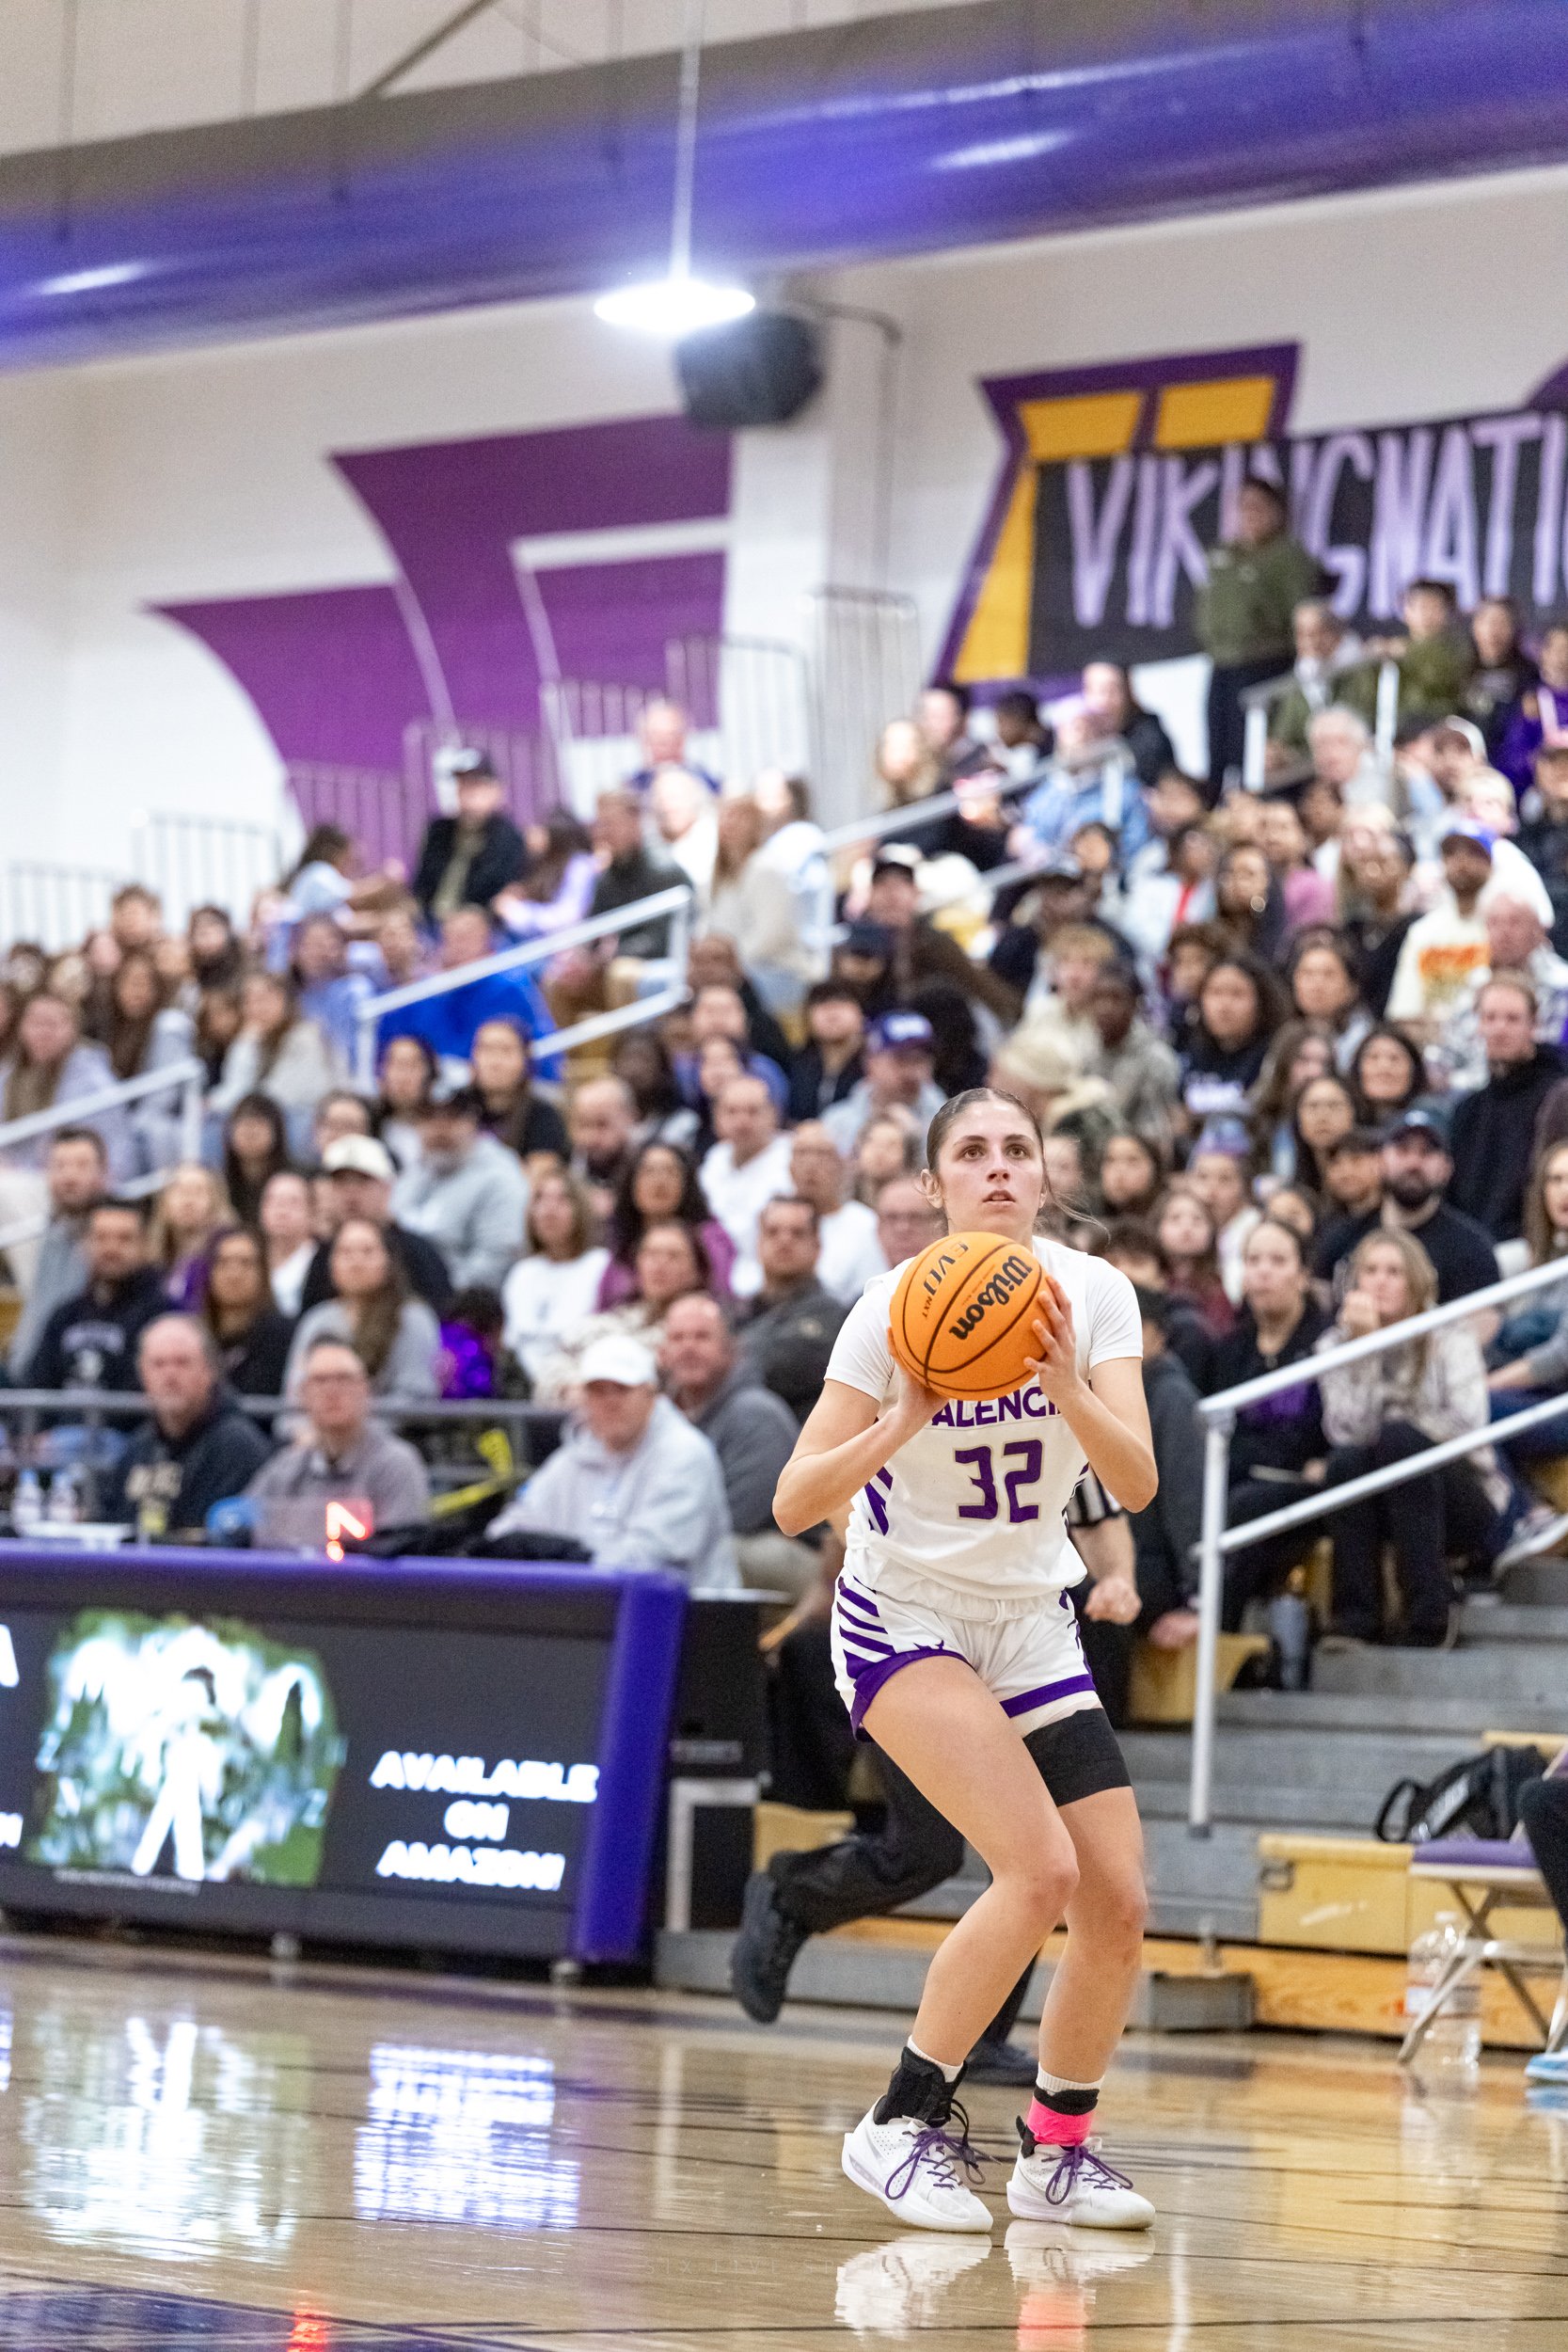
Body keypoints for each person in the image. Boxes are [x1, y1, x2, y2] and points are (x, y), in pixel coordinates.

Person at [767, 1087, 1155, 2233]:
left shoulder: (1093, 1294)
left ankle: (1056, 2151)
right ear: (934, 1187)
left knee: (1118, 1901)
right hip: (903, 1612)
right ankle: (896, 2122)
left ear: (1042, 1177)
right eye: (972, 1152)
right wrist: (901, 1416)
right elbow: (793, 1499)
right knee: (1036, 1871)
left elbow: (1133, 1484)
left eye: (1016, 1149)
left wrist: (1065, 1386)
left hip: (1029, 1617)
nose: (997, 1167)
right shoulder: (888, 1309)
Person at [1319, 1230, 1506, 1645]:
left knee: (1399, 1440)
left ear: (1416, 1281)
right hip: (1383, 1494)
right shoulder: (1335, 1344)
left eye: (1394, 1272)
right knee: (1345, 1463)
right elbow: (1346, 1431)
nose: (1380, 1282)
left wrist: (1400, 1427)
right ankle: (1356, 1618)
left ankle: (1430, 1614)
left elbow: (1467, 1423)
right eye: (1370, 1271)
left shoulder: (1450, 1334)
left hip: (1459, 1491)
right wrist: (1365, 1351)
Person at [490, 1332, 736, 1585]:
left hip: (686, 1605)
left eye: (622, 1389)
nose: (610, 1402)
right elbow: (509, 1529)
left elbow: (654, 1557)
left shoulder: (685, 1454)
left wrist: (572, 1558)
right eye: (598, 1391)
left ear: (650, 1394)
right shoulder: (570, 1460)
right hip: (582, 1602)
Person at [1209, 1218, 1330, 1628]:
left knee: (1244, 1506)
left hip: (1306, 1488)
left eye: (1278, 1261)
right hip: (1240, 1480)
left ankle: (1218, 1626)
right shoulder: (1230, 1349)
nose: (1263, 1271)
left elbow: (1321, 1434)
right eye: (1253, 1260)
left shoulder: (1326, 1342)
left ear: (1303, 1275)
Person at [660, 1294, 815, 1595]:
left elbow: (742, 1516)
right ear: (662, 1353)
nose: (688, 1347)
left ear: (731, 1350)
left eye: (702, 1337)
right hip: (698, 1537)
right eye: (678, 1338)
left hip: (783, 1551)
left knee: (704, 1553)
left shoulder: (756, 1413)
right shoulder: (661, 1416)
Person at [1195, 475, 1322, 791]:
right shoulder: (1223, 554)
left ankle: (1252, 797)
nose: (1251, 514)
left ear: (1278, 511)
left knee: (1251, 743)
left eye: (1259, 506)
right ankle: (1219, 798)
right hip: (1222, 662)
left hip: (1266, 662)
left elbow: (1299, 611)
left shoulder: (1288, 556)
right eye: (1244, 506)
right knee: (1218, 743)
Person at [103, 1315, 273, 1541]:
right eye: (158, 1364)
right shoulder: (138, 1447)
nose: (170, 1376)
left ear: (209, 1371)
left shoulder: (240, 1449)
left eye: (182, 1363)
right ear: (142, 1374)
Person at [245, 1335, 431, 1538]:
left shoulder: (396, 1466)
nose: (332, 1391)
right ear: (303, 1394)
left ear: (366, 1390)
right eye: (320, 1380)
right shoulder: (286, 1470)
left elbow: (402, 1543)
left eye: (344, 1379)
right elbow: (242, 1521)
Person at [0, 993, 129, 1279]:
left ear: (71, 1029)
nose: (43, 1032)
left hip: (71, 1186)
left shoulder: (93, 1081)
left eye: (52, 1024)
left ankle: (37, 1283)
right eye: (35, 1023)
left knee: (6, 1189)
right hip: (26, 1180)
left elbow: (117, 1153)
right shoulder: (11, 1076)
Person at [1315, 1107, 1500, 1305]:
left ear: (1446, 1168)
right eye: (1402, 1150)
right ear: (1380, 1161)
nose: (1413, 1163)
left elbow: (1482, 1319)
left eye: (1426, 1152)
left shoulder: (1472, 1249)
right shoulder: (1341, 1238)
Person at [1446, 977, 1568, 1243]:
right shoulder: (1468, 1109)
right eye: (1490, 1018)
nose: (1499, 1029)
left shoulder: (1558, 1098)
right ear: (1478, 1025)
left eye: (1512, 1019)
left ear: (1534, 1025)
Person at [283, 1216, 442, 1404]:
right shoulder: (317, 1319)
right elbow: (294, 1395)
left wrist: (355, 1417)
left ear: (389, 1260)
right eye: (346, 1253)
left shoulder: (413, 1318)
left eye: (367, 1252)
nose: (356, 1262)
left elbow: (417, 1396)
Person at [379, 907, 558, 1073]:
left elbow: (535, 1046)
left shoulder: (510, 987)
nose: (459, 945)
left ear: (487, 941)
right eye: (452, 938)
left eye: (467, 937)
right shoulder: (427, 992)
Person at [389, 1081, 529, 1290]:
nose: (439, 1129)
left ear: (473, 1122)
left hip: (465, 1301)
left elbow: (497, 1262)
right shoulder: (416, 1174)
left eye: (452, 1117)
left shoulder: (499, 1176)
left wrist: (434, 1290)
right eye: (429, 1117)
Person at [21, 1197, 167, 1392]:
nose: (111, 1249)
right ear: (84, 1244)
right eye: (101, 1237)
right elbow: (35, 1385)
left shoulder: (163, 1317)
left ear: (145, 1246)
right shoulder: (64, 1316)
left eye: (124, 1239)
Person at [1128, 1289, 1206, 1649]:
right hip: (1120, 1556)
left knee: (1090, 1597)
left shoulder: (1172, 1397)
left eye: (1130, 1325)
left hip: (1156, 1571)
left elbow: (1188, 1502)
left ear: (1159, 1334)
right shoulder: (1103, 1391)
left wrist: (1198, 1601)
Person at [300, 1136, 453, 1315]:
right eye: (341, 1182)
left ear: (387, 1188)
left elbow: (441, 1315)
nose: (351, 1192)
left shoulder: (418, 1254)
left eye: (363, 1181)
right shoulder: (323, 1255)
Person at [736, 1194, 850, 1425]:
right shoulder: (733, 1312)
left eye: (797, 1233)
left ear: (817, 1246)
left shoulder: (834, 1315)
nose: (784, 1241)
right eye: (773, 1232)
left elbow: (780, 1369)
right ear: (758, 1243)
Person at [6, 1126, 107, 1376]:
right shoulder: (51, 1235)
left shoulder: (113, 1237)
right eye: (59, 1166)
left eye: (81, 1166)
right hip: (31, 1372)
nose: (69, 1177)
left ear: (103, 1173)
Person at [499, 1169, 610, 1390]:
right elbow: (512, 1343)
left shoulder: (601, 1266)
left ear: (581, 1210)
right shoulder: (522, 1272)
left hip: (578, 1381)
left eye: (562, 1200)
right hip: (522, 1387)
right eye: (540, 1199)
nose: (549, 1211)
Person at [1386, 822, 1497, 1041]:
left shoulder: (1504, 927)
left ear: (1490, 863)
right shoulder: (1422, 932)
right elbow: (1403, 1013)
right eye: (1452, 854)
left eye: (1473, 853)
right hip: (1432, 1044)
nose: (1462, 863)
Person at [598, 1140, 735, 1310]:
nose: (659, 1182)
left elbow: (722, 1297)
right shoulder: (621, 1245)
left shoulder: (710, 1239)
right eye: (649, 1172)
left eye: (670, 1172)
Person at [698, 1075, 794, 1299]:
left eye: (752, 1111)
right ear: (716, 1117)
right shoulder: (715, 1159)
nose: (742, 1121)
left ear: (773, 1114)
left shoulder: (792, 1158)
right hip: (713, 1280)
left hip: (770, 1286)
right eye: (731, 1112)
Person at [411, 751, 527, 921]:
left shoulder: (508, 838)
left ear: (496, 789)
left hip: (479, 924)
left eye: (475, 784)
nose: (467, 792)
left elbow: (496, 892)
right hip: (429, 921)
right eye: (462, 783)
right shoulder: (439, 830)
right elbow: (422, 884)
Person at [1080, 964, 1180, 1146]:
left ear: (1135, 1004)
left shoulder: (1156, 1058)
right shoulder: (1084, 1050)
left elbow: (1158, 1130)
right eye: (1098, 998)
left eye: (1115, 998)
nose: (1105, 1008)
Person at [822, 1011, 946, 1155]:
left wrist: (918, 1143)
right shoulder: (837, 1125)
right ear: (871, 1063)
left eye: (920, 1060)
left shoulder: (949, 1122)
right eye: (901, 1060)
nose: (911, 1073)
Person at [787, 1122, 884, 1304]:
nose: (811, 1164)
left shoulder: (864, 1224)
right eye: (802, 1153)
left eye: (822, 1154)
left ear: (842, 1165)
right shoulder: (774, 1221)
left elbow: (872, 1295)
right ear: (790, 1166)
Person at [198, 1227, 295, 1397]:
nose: (234, 1274)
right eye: (223, 1263)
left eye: (246, 1263)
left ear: (262, 1272)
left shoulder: (284, 1335)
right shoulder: (194, 1336)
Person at [468, 1018, 569, 1170]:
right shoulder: (456, 1107)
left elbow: (540, 1171)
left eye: (506, 1051)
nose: (495, 1062)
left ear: (526, 1058)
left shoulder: (543, 1113)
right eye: (486, 1050)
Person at [491, 812, 597, 943]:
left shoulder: (579, 866)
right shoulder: (541, 863)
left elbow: (568, 917)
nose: (532, 834)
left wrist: (517, 912)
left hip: (562, 943)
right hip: (528, 939)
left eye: (541, 831)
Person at [149, 1163, 231, 1311]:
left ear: (216, 1201)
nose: (188, 1200)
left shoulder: (224, 1256)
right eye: (180, 1190)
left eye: (198, 1191)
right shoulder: (151, 1257)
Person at [787, 981, 867, 1125]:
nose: (832, 1013)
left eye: (842, 1003)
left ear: (861, 1014)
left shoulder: (874, 1064)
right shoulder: (797, 1063)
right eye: (821, 1004)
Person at [567, 1076, 639, 1232]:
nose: (591, 1137)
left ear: (630, 1118)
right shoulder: (568, 1165)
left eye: (602, 1124)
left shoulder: (648, 1164)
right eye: (583, 1125)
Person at [221, 1093, 293, 1227]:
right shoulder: (221, 1183)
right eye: (243, 1124)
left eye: (259, 1124)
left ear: (276, 1131)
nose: (250, 1132)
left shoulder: (295, 1179)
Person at [259, 1168, 317, 1319]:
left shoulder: (323, 1262)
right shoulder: (252, 1259)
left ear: (311, 1212)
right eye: (274, 1201)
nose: (282, 1211)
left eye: (293, 1202)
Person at [376, 1032, 437, 1170]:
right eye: (396, 1065)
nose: (403, 1077)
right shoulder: (370, 1128)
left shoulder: (445, 1130)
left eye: (412, 1066)